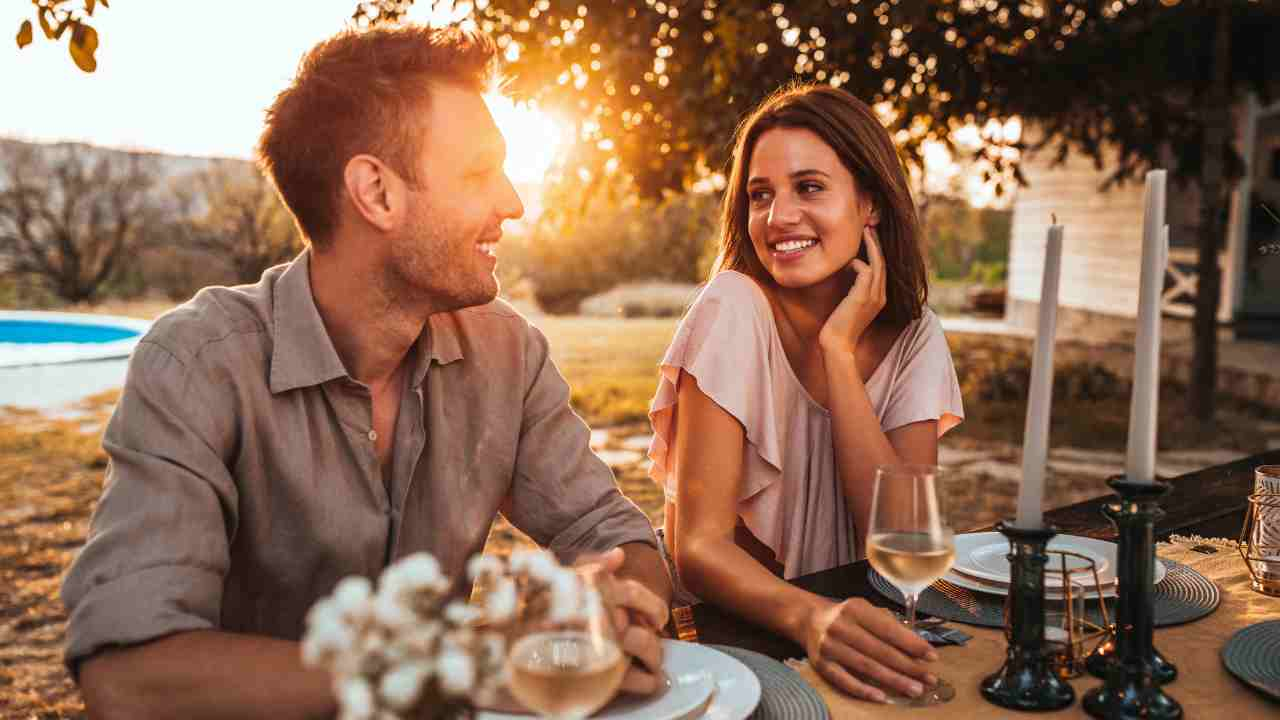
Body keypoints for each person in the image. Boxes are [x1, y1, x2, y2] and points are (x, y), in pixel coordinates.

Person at [60, 25, 671, 719]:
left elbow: (617, 538)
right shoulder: (197, 366)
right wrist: (460, 666)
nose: (513, 203)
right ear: (375, 193)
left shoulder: (508, 353)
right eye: (477, 173)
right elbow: (129, 674)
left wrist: (613, 609)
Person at [647, 84, 964, 703]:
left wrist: (839, 356)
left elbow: (895, 537)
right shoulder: (733, 306)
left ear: (870, 203)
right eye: (760, 195)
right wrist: (812, 618)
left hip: (858, 625)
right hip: (740, 646)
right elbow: (699, 551)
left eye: (809, 187)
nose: (778, 216)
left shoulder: (916, 336)